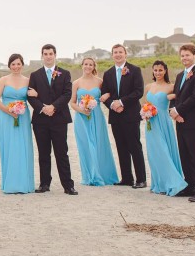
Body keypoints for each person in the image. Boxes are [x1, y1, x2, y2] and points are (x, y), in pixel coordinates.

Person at [27, 44, 77, 195]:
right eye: (45, 54)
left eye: (51, 53)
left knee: (62, 152)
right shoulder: (35, 75)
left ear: (55, 55)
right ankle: (44, 184)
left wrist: (53, 107)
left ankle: (68, 186)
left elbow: (67, 94)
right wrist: (43, 107)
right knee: (43, 153)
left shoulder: (65, 73)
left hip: (59, 119)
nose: (48, 56)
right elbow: (29, 96)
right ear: (42, 56)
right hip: (40, 120)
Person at [101, 44, 146, 188]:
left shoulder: (135, 70)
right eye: (115, 52)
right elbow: (104, 95)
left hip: (131, 115)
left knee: (134, 146)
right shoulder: (108, 74)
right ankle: (127, 178)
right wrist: (112, 105)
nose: (118, 55)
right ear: (112, 55)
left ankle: (141, 179)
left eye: (120, 52)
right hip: (116, 116)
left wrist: (121, 102)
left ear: (125, 54)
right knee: (121, 147)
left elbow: (138, 91)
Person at [69, 58, 119, 186]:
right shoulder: (76, 83)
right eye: (86, 64)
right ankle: (90, 175)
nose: (88, 66)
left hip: (97, 116)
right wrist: (81, 110)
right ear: (82, 66)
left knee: (99, 145)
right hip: (81, 118)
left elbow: (110, 92)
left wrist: (106, 95)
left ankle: (102, 174)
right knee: (86, 146)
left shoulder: (100, 82)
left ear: (94, 66)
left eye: (90, 65)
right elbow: (72, 103)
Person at [170, 44, 195, 202]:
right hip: (180, 121)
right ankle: (189, 186)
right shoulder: (180, 75)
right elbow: (176, 97)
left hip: (194, 121)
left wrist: (178, 110)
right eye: (182, 55)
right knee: (185, 155)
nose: (184, 58)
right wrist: (174, 112)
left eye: (187, 55)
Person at [0, 53, 35, 194]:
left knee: (23, 146)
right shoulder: (3, 80)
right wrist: (9, 111)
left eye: (18, 64)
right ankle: (9, 183)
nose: (16, 66)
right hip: (6, 117)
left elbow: (33, 98)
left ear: (22, 64)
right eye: (13, 64)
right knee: (9, 146)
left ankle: (24, 183)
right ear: (9, 65)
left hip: (23, 117)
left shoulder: (28, 81)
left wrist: (36, 94)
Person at [143, 60, 187, 196]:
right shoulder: (148, 86)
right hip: (150, 123)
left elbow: (179, 100)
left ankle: (174, 182)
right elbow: (145, 103)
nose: (158, 73)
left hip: (163, 122)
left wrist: (172, 96)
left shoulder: (171, 86)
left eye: (160, 70)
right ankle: (159, 184)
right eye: (155, 70)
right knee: (154, 153)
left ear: (165, 71)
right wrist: (145, 111)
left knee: (163, 151)